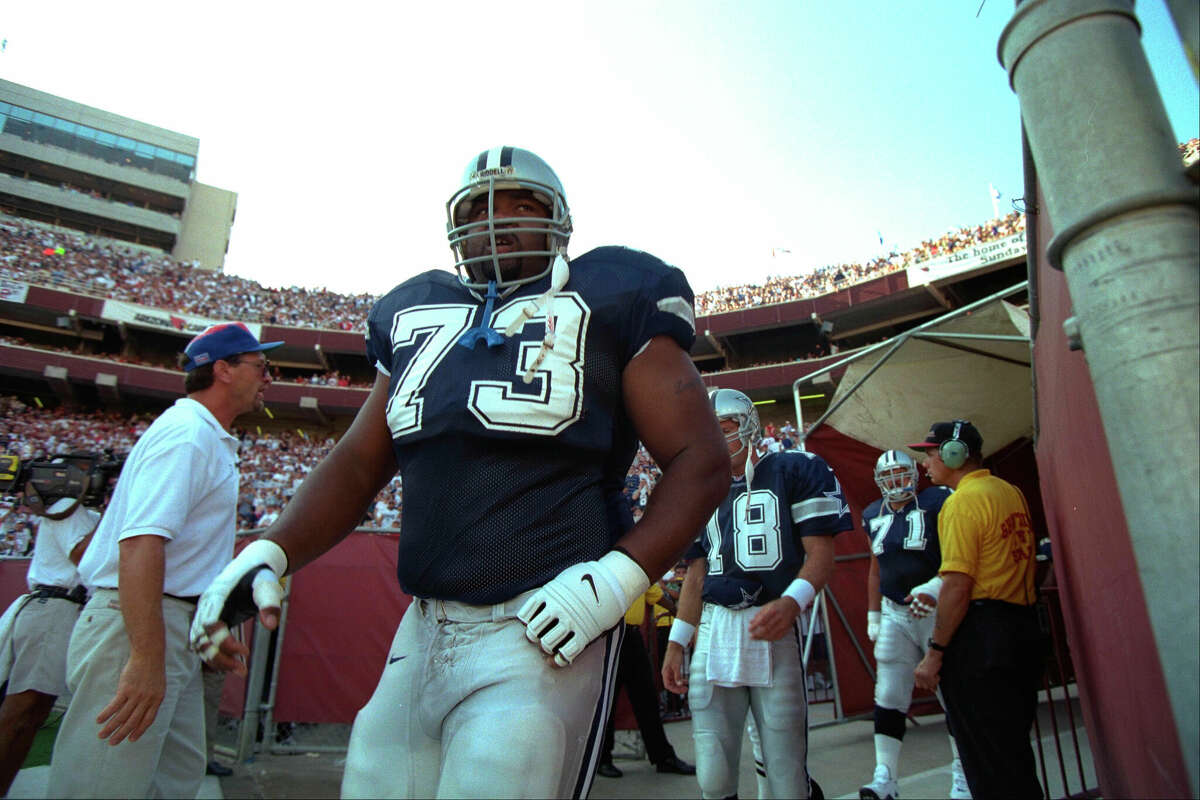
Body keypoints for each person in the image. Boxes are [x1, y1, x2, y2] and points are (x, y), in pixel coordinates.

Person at [190, 146, 731, 799]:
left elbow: (700, 458)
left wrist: (618, 577)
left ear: (560, 221)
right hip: (423, 625)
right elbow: (361, 459)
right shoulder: (416, 311)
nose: (498, 220)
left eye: (521, 205)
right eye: (479, 208)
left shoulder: (611, 293)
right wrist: (272, 550)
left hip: (547, 616)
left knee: (500, 769)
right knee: (370, 781)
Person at [46, 322, 282, 798]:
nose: (269, 377)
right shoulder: (186, 436)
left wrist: (200, 630)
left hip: (163, 622)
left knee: (170, 781)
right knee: (102, 784)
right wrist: (146, 657)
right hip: (137, 624)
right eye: (261, 366)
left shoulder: (201, 435)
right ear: (222, 369)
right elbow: (139, 545)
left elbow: (179, 561)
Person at [662, 388, 851, 800]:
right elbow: (696, 574)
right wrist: (677, 643)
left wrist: (792, 600)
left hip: (771, 623)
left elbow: (821, 555)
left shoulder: (794, 469)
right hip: (715, 629)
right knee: (712, 775)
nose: (714, 438)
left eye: (724, 429)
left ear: (748, 426)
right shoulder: (696, 489)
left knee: (786, 775)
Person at [910, 421, 1045, 800]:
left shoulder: (960, 504)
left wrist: (935, 653)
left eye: (932, 453)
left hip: (982, 638)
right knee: (1013, 755)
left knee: (987, 763)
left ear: (956, 454)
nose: (926, 463)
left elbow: (957, 585)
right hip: (1020, 628)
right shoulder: (1009, 491)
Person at [859, 450, 970, 800]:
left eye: (901, 473)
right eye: (888, 475)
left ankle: (963, 778)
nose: (896, 481)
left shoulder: (937, 500)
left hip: (931, 609)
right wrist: (873, 613)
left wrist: (937, 589)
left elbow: (956, 553)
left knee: (950, 693)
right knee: (889, 693)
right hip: (894, 610)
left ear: (913, 474)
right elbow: (876, 568)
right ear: (879, 479)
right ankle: (885, 777)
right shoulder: (871, 514)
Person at [0, 488, 99, 796]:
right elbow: (86, 557)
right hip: (55, 607)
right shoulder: (66, 505)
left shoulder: (80, 510)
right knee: (22, 709)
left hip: (63, 610)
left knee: (33, 713)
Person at [596, 584, 694, 779]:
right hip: (608, 636)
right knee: (608, 701)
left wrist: (681, 615)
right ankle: (602, 759)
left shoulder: (636, 567)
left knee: (647, 699)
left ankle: (663, 757)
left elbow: (654, 593)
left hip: (631, 637)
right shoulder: (605, 559)